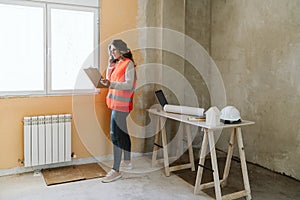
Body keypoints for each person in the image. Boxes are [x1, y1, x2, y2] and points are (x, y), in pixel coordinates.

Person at [100, 39, 136, 183]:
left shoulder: (129, 64)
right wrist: (110, 66)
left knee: (115, 136)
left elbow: (128, 84)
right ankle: (127, 161)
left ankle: (115, 171)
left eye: (113, 50)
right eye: (110, 50)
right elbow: (110, 80)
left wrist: (111, 83)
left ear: (121, 50)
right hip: (115, 103)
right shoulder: (118, 64)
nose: (111, 52)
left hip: (122, 105)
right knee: (123, 132)